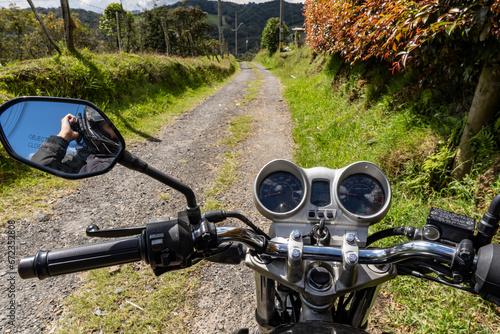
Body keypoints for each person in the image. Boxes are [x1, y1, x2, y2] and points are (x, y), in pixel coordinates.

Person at [31, 107, 121, 174]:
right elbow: (41, 164)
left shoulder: (119, 149)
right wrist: (64, 135)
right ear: (97, 132)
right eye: (109, 127)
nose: (116, 131)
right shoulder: (79, 161)